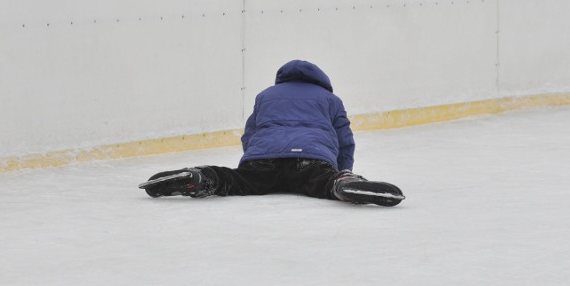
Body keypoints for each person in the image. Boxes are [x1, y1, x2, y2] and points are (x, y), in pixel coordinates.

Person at [139, 59, 405, 207]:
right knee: (324, 183)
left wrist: (254, 158)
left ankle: (201, 177)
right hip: (311, 161)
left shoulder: (265, 96)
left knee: (234, 181)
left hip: (263, 159)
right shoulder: (329, 99)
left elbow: (250, 133)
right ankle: (345, 185)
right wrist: (341, 168)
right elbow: (344, 140)